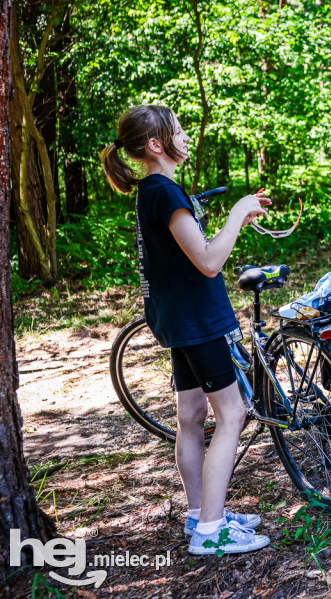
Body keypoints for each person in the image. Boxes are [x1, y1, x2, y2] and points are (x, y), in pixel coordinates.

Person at [101, 105, 271, 555]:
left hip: (178, 319)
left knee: (191, 418)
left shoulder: (153, 191)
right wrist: (237, 213)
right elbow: (211, 264)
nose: (186, 136)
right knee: (231, 415)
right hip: (198, 322)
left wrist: (237, 221)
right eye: (177, 131)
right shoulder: (165, 192)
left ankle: (200, 512)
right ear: (157, 145)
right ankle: (212, 531)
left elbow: (193, 254)